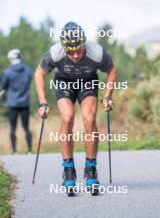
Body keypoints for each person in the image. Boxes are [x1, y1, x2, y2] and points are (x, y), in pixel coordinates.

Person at [35, 22, 117, 194]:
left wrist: (108, 96)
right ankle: (68, 170)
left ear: (84, 43)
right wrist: (43, 102)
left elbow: (111, 70)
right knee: (67, 118)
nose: (76, 54)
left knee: (89, 119)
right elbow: (39, 73)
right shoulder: (55, 52)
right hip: (64, 82)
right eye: (71, 51)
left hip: (88, 81)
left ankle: (91, 169)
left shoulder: (96, 52)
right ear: (64, 48)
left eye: (79, 49)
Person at [1, 49, 33, 154]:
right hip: (25, 102)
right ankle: (29, 150)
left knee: (13, 127)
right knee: (26, 127)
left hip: (12, 103)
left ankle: (14, 151)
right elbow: (29, 81)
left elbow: (4, 86)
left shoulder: (7, 72)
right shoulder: (27, 70)